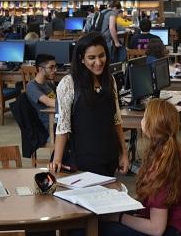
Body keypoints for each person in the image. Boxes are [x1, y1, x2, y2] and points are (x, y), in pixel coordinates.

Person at [68, 99, 181, 236]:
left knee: (84, 235)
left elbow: (157, 229)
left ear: (152, 125)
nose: (142, 119)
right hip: (163, 225)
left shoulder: (163, 167)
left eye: (145, 116)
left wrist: (118, 218)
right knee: (91, 228)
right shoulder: (168, 151)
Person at [48, 32, 129, 177]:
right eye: (92, 57)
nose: (98, 62)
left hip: (108, 157)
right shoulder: (68, 83)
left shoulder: (110, 80)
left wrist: (124, 153)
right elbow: (63, 127)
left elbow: (116, 120)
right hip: (82, 161)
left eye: (101, 55)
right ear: (81, 59)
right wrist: (57, 160)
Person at [26, 54, 57, 131]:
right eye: (51, 67)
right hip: (50, 124)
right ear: (40, 69)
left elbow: (60, 97)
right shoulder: (31, 86)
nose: (55, 70)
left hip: (57, 118)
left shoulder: (48, 83)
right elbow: (49, 102)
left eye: (55, 67)